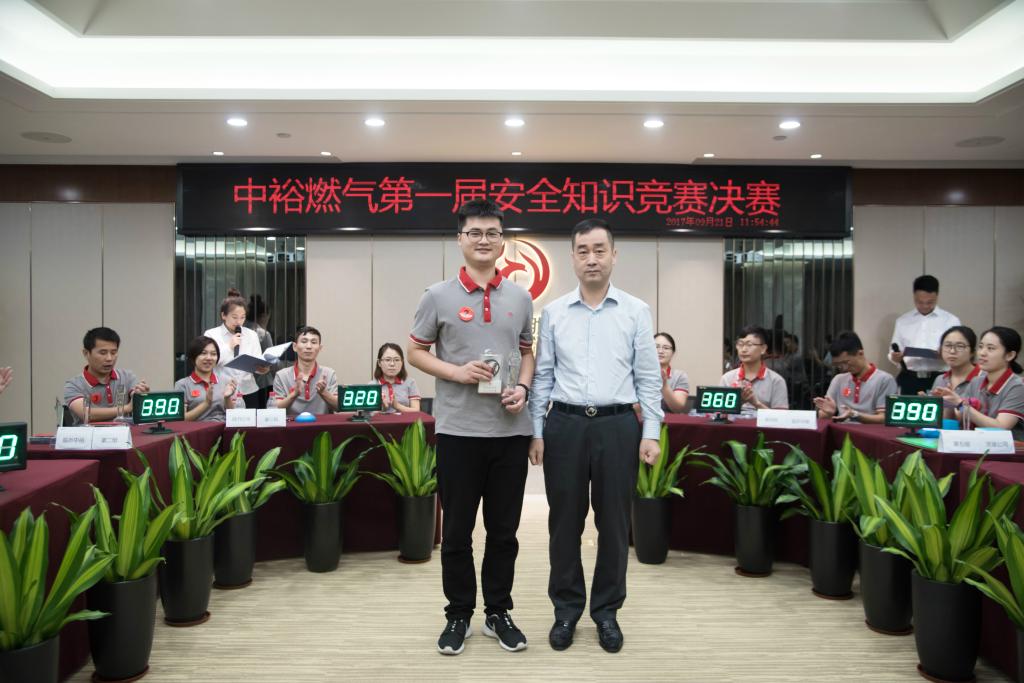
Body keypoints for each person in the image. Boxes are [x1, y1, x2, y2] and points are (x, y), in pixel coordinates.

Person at [407, 199, 535, 656]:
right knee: (458, 533)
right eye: (475, 232)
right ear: (460, 239)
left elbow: (527, 353)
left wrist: (524, 388)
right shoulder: (437, 295)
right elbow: (415, 352)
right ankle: (458, 614)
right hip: (459, 432)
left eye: (493, 233)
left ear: (503, 242)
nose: (484, 240)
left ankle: (498, 612)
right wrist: (456, 372)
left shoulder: (520, 297)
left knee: (504, 533)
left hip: (510, 432)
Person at [529, 218, 662, 655]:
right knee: (564, 524)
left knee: (615, 524)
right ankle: (566, 610)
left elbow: (648, 379)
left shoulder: (635, 311)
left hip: (618, 425)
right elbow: (543, 377)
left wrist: (651, 432)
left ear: (614, 255)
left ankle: (606, 612)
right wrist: (536, 430)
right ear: (572, 257)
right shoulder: (554, 312)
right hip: (565, 425)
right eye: (583, 250)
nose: (592, 259)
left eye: (599, 250)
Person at [936, 326, 1024, 440]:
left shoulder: (1017, 387)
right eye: (981, 347)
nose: (982, 353)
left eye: (990, 348)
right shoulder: (976, 382)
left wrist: (960, 404)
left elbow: (1001, 427)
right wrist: (949, 403)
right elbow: (961, 418)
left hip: (1007, 449)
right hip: (976, 445)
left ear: (1009, 355)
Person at [888, 275, 961, 395]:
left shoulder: (951, 321)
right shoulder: (902, 321)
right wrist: (895, 357)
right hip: (910, 377)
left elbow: (959, 353)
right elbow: (893, 351)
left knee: (941, 407)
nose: (925, 306)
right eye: (919, 302)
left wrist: (946, 354)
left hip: (941, 377)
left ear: (937, 296)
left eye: (930, 302)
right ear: (914, 296)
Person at [63, 327, 149, 425]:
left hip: (124, 433)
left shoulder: (127, 377)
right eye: (103, 353)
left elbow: (136, 396)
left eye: (113, 352)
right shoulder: (74, 385)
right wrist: (127, 408)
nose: (109, 358)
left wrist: (140, 396)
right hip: (90, 434)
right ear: (86, 353)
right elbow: (86, 413)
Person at [204, 288, 271, 409]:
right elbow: (209, 362)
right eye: (234, 317)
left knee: (250, 421)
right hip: (222, 391)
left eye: (242, 317)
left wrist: (262, 369)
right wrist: (229, 346)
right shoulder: (211, 334)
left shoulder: (252, 334)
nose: (239, 321)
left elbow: (256, 362)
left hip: (248, 390)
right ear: (223, 315)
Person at [814, 331, 898, 424]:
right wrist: (828, 413)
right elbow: (823, 417)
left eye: (846, 362)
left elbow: (885, 418)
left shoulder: (884, 380)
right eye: (838, 365)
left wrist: (855, 415)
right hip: (842, 431)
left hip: (870, 432)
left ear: (860, 353)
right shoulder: (838, 380)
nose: (843, 368)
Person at [719, 325, 789, 416]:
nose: (743, 349)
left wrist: (756, 403)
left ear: (763, 349)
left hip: (762, 426)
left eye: (749, 345)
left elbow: (781, 418)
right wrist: (738, 403)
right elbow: (719, 415)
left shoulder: (776, 380)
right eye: (740, 344)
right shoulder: (727, 378)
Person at [272, 326, 339, 416]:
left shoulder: (329, 373)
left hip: (322, 424)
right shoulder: (281, 375)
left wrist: (323, 392)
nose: (308, 346)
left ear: (320, 348)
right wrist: (294, 394)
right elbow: (275, 410)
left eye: (313, 342)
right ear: (295, 346)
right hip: (293, 424)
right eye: (304, 341)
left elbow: (338, 407)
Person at [174, 335, 240, 422]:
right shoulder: (182, 385)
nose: (209, 358)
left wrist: (227, 398)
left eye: (213, 354)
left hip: (223, 427)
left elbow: (234, 416)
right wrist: (206, 403)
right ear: (193, 357)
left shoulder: (226, 381)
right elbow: (181, 419)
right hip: (198, 429)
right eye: (203, 353)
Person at [927, 326, 980, 400]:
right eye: (948, 345)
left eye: (960, 346)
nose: (952, 351)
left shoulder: (983, 377)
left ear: (972, 352)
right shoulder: (940, 380)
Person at [374, 343, 421, 413]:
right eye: (388, 360)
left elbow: (416, 411)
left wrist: (397, 406)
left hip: (405, 420)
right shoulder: (373, 385)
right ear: (379, 363)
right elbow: (369, 414)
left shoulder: (410, 382)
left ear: (402, 362)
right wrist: (383, 408)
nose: (392, 364)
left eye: (396, 360)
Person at [248, 294, 276, 409]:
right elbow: (272, 361)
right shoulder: (263, 333)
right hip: (263, 383)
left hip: (246, 384)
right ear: (264, 315)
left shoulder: (242, 330)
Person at [654, 333, 689, 413]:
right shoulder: (638, 374)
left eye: (666, 348)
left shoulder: (679, 376)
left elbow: (677, 409)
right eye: (656, 347)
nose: (660, 351)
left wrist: (664, 386)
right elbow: (633, 409)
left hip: (669, 420)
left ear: (673, 352)